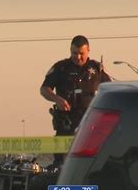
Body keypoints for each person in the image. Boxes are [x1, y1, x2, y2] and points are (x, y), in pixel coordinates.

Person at [40, 35, 111, 168]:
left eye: (81, 53)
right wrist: (57, 99)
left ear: (88, 50)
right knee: (61, 164)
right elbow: (44, 89)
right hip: (66, 122)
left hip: (91, 122)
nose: (77, 57)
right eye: (74, 53)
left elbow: (110, 90)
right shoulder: (61, 68)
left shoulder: (96, 69)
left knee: (92, 162)